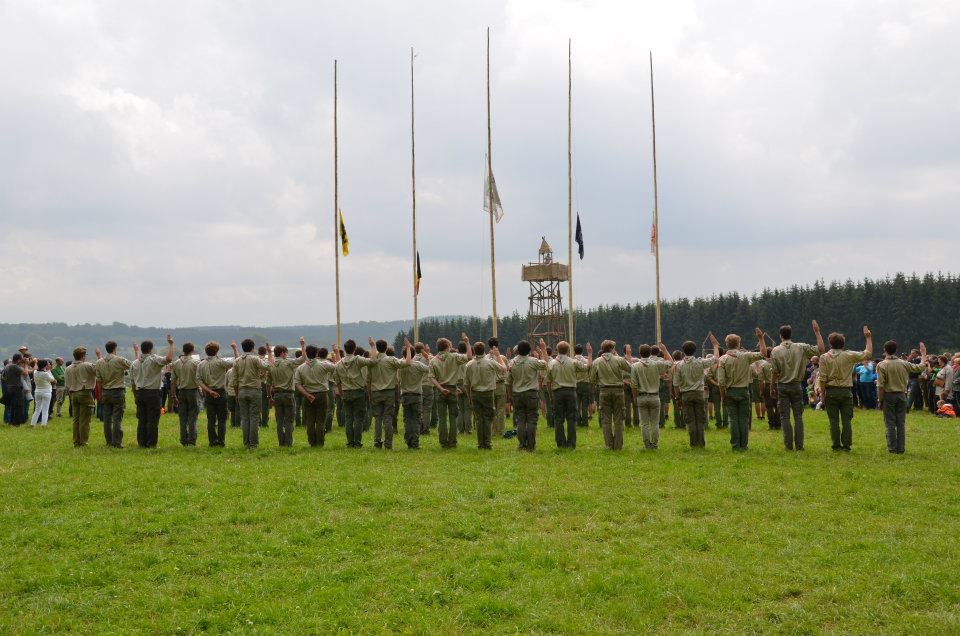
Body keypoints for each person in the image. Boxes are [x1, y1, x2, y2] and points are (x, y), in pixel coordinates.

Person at [770, 322, 824, 451]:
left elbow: (774, 372)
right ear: (790, 334)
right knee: (798, 417)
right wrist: (817, 332)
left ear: (780, 336)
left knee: (785, 417)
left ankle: (788, 446)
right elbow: (821, 349)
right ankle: (799, 446)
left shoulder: (775, 350)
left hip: (782, 386)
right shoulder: (801, 347)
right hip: (796, 385)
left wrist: (772, 386)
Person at [817, 325, 873, 451]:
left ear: (830, 343)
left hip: (831, 391)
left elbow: (822, 379)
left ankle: (836, 445)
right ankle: (847, 445)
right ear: (843, 344)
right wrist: (868, 337)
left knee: (833, 421)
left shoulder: (824, 357)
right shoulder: (849, 355)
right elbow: (868, 354)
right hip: (846, 391)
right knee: (847, 420)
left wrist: (822, 396)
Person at [715, 329, 767, 451]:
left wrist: (722, 396)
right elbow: (763, 353)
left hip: (730, 391)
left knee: (733, 419)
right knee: (743, 419)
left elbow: (721, 382)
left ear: (727, 344)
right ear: (738, 344)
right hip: (743, 391)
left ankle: (735, 445)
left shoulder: (723, 359)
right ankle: (744, 445)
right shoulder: (746, 356)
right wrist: (761, 338)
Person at [877, 340, 927, 454]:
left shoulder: (882, 365)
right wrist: (923, 353)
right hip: (902, 395)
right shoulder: (904, 363)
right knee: (901, 423)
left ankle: (892, 448)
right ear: (896, 350)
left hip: (889, 395)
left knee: (890, 423)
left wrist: (880, 400)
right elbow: (921, 367)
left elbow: (880, 386)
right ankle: (901, 448)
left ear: (885, 350)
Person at [546, 341, 592, 449]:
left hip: (557, 392)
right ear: (568, 350)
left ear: (557, 350)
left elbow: (548, 381)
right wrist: (590, 354)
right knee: (571, 418)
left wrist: (551, 396)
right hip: (571, 392)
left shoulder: (551, 363)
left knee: (558, 419)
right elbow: (587, 367)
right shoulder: (573, 362)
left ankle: (561, 443)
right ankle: (571, 443)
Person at [429, 334, 472, 449]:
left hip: (440, 390)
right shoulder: (454, 357)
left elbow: (432, 378)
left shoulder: (433, 360)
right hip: (453, 388)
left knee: (442, 417)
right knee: (453, 417)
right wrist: (467, 342)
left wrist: (441, 388)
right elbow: (469, 357)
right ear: (447, 346)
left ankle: (443, 442)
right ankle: (452, 442)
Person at [672, 340, 718, 448]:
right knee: (700, 419)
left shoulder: (678, 365)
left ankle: (693, 443)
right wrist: (715, 346)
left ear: (683, 351)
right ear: (695, 350)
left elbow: (676, 384)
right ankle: (701, 443)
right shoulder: (700, 362)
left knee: (690, 420)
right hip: (699, 393)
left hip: (686, 394)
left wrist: (677, 398)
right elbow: (715, 359)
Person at [334, 339, 378, 448]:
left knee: (348, 418)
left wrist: (341, 394)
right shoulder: (358, 359)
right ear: (354, 349)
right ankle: (357, 442)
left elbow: (337, 381)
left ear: (345, 349)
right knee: (358, 418)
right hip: (358, 392)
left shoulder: (339, 364)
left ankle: (350, 442)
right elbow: (373, 361)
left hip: (346, 393)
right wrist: (373, 346)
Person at [463, 341, 508, 450]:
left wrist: (469, 396)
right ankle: (487, 443)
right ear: (484, 350)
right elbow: (504, 368)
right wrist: (498, 356)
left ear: (474, 351)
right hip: (488, 393)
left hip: (475, 393)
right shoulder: (490, 362)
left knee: (478, 419)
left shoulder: (469, 364)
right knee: (488, 418)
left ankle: (480, 443)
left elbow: (466, 384)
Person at [293, 339, 338, 448]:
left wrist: (307, 394)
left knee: (310, 421)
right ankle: (320, 442)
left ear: (306, 353)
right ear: (317, 354)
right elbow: (336, 367)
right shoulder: (324, 365)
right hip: (322, 394)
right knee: (320, 420)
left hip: (308, 395)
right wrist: (336, 353)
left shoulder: (300, 368)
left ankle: (312, 442)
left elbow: (297, 384)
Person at [628, 343, 672, 450]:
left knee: (644, 424)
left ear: (640, 353)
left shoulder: (635, 366)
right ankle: (655, 444)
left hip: (641, 396)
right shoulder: (656, 364)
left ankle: (647, 445)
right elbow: (671, 362)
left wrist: (635, 397)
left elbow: (633, 385)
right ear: (650, 353)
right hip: (654, 396)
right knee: (655, 423)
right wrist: (665, 350)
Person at [133, 336, 175, 448]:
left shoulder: (135, 363)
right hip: (152, 393)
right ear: (151, 349)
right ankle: (151, 443)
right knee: (153, 419)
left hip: (139, 392)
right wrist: (171, 344)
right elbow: (169, 359)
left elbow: (133, 381)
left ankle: (142, 443)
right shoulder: (153, 359)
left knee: (142, 419)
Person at [368, 337, 409, 450]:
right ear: (386, 348)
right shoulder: (391, 360)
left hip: (376, 392)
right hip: (389, 392)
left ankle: (377, 442)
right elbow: (407, 362)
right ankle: (388, 443)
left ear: (377, 348)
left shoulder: (372, 362)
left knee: (377, 419)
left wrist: (370, 395)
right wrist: (408, 348)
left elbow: (368, 380)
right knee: (388, 419)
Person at [590, 340, 631, 450]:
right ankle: (618, 445)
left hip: (604, 391)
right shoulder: (619, 359)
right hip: (618, 391)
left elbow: (592, 379)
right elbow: (630, 368)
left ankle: (609, 444)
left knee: (606, 419)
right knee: (619, 419)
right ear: (612, 349)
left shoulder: (596, 361)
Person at [507, 339, 547, 451]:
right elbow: (545, 364)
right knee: (532, 419)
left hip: (517, 393)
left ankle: (521, 444)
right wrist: (543, 350)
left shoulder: (512, 362)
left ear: (518, 350)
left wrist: (510, 395)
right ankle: (531, 445)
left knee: (520, 420)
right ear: (529, 350)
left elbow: (508, 381)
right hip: (531, 393)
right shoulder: (533, 361)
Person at [196, 341, 238, 447]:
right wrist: (234, 349)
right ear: (217, 351)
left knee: (210, 420)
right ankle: (221, 441)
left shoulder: (201, 364)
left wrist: (209, 391)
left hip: (209, 393)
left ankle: (212, 441)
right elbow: (237, 362)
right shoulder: (220, 362)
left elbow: (198, 380)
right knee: (222, 419)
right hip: (221, 392)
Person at [397, 340, 437, 449]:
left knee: (407, 419)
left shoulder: (400, 365)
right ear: (414, 354)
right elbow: (430, 369)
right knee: (416, 420)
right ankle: (415, 442)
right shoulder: (418, 365)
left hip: (405, 394)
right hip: (416, 394)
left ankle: (408, 440)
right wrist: (428, 357)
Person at [232, 338, 271, 449]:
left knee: (245, 418)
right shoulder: (255, 359)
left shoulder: (237, 361)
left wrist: (236, 394)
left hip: (241, 391)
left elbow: (234, 381)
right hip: (254, 390)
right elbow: (267, 366)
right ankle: (253, 444)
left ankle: (246, 443)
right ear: (253, 348)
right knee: (254, 418)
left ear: (242, 348)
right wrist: (269, 353)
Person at [94, 341, 133, 447]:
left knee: (107, 419)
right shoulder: (119, 360)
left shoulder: (99, 362)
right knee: (117, 418)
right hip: (117, 391)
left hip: (105, 391)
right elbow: (132, 366)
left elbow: (99, 381)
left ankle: (109, 441)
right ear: (115, 348)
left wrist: (100, 394)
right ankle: (117, 442)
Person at [266, 342, 305, 447]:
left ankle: (281, 443)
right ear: (283, 353)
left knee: (279, 421)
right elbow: (303, 358)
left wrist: (269, 397)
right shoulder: (288, 363)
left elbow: (268, 384)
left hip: (276, 395)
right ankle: (288, 443)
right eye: (286, 353)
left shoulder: (271, 365)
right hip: (288, 394)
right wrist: (302, 345)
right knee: (289, 420)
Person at [64, 346, 100, 446]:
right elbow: (99, 370)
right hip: (85, 393)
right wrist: (99, 357)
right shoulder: (87, 365)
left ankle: (76, 441)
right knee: (85, 420)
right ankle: (83, 441)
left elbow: (67, 384)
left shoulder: (68, 368)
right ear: (83, 356)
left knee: (76, 419)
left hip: (73, 394)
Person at [171, 342, 201, 446]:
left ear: (183, 350)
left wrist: (173, 395)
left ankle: (183, 439)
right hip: (193, 391)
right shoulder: (195, 362)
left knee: (182, 417)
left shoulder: (176, 363)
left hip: (181, 392)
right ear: (192, 350)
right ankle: (192, 439)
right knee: (193, 416)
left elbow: (173, 381)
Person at [489, 337, 509, 435]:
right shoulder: (503, 358)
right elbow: (507, 369)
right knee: (500, 409)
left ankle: (493, 430)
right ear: (498, 345)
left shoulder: (486, 358)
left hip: (490, 385)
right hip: (500, 384)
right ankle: (500, 430)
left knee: (492, 408)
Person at [2, 354, 29, 426]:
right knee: (18, 406)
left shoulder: (8, 366)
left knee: (13, 406)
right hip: (17, 388)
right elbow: (26, 373)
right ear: (18, 360)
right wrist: (26, 364)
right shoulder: (14, 366)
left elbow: (4, 376)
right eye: (21, 359)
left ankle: (11, 421)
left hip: (10, 387)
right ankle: (16, 423)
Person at [573, 344, 593, 428]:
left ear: (574, 351)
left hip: (575, 384)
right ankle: (585, 422)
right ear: (582, 351)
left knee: (577, 405)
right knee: (585, 405)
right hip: (585, 384)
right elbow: (590, 369)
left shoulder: (572, 361)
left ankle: (578, 422)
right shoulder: (586, 361)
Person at [30, 359, 55, 426]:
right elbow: (53, 380)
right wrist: (49, 370)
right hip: (46, 392)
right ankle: (43, 425)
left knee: (37, 410)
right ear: (45, 365)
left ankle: (32, 424)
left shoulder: (35, 372)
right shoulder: (46, 374)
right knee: (45, 410)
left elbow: (36, 369)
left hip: (37, 392)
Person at [621, 344, 639, 429]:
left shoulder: (621, 361)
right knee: (634, 404)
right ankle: (635, 423)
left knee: (628, 405)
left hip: (627, 385)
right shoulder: (636, 360)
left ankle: (629, 423)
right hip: (633, 385)